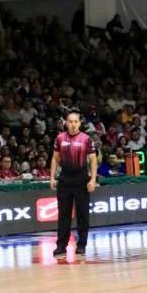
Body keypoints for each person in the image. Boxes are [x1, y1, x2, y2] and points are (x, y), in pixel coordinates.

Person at [50, 109, 97, 258]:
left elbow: (93, 160)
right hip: (65, 180)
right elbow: (55, 159)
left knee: (82, 214)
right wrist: (52, 177)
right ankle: (61, 247)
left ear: (80, 123)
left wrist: (93, 179)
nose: (73, 124)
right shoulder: (59, 138)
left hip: (81, 179)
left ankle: (81, 244)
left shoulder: (86, 139)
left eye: (75, 121)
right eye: (70, 121)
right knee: (63, 215)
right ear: (66, 123)